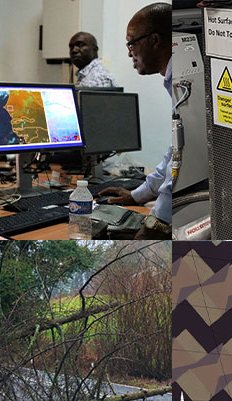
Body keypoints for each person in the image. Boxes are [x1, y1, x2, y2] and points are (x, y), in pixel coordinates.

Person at [98, 3, 172, 239]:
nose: (129, 52)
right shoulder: (175, 79)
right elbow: (176, 153)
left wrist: (156, 224)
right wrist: (137, 196)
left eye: (131, 43)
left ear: (154, 40)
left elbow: (182, 166)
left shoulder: (185, 82)